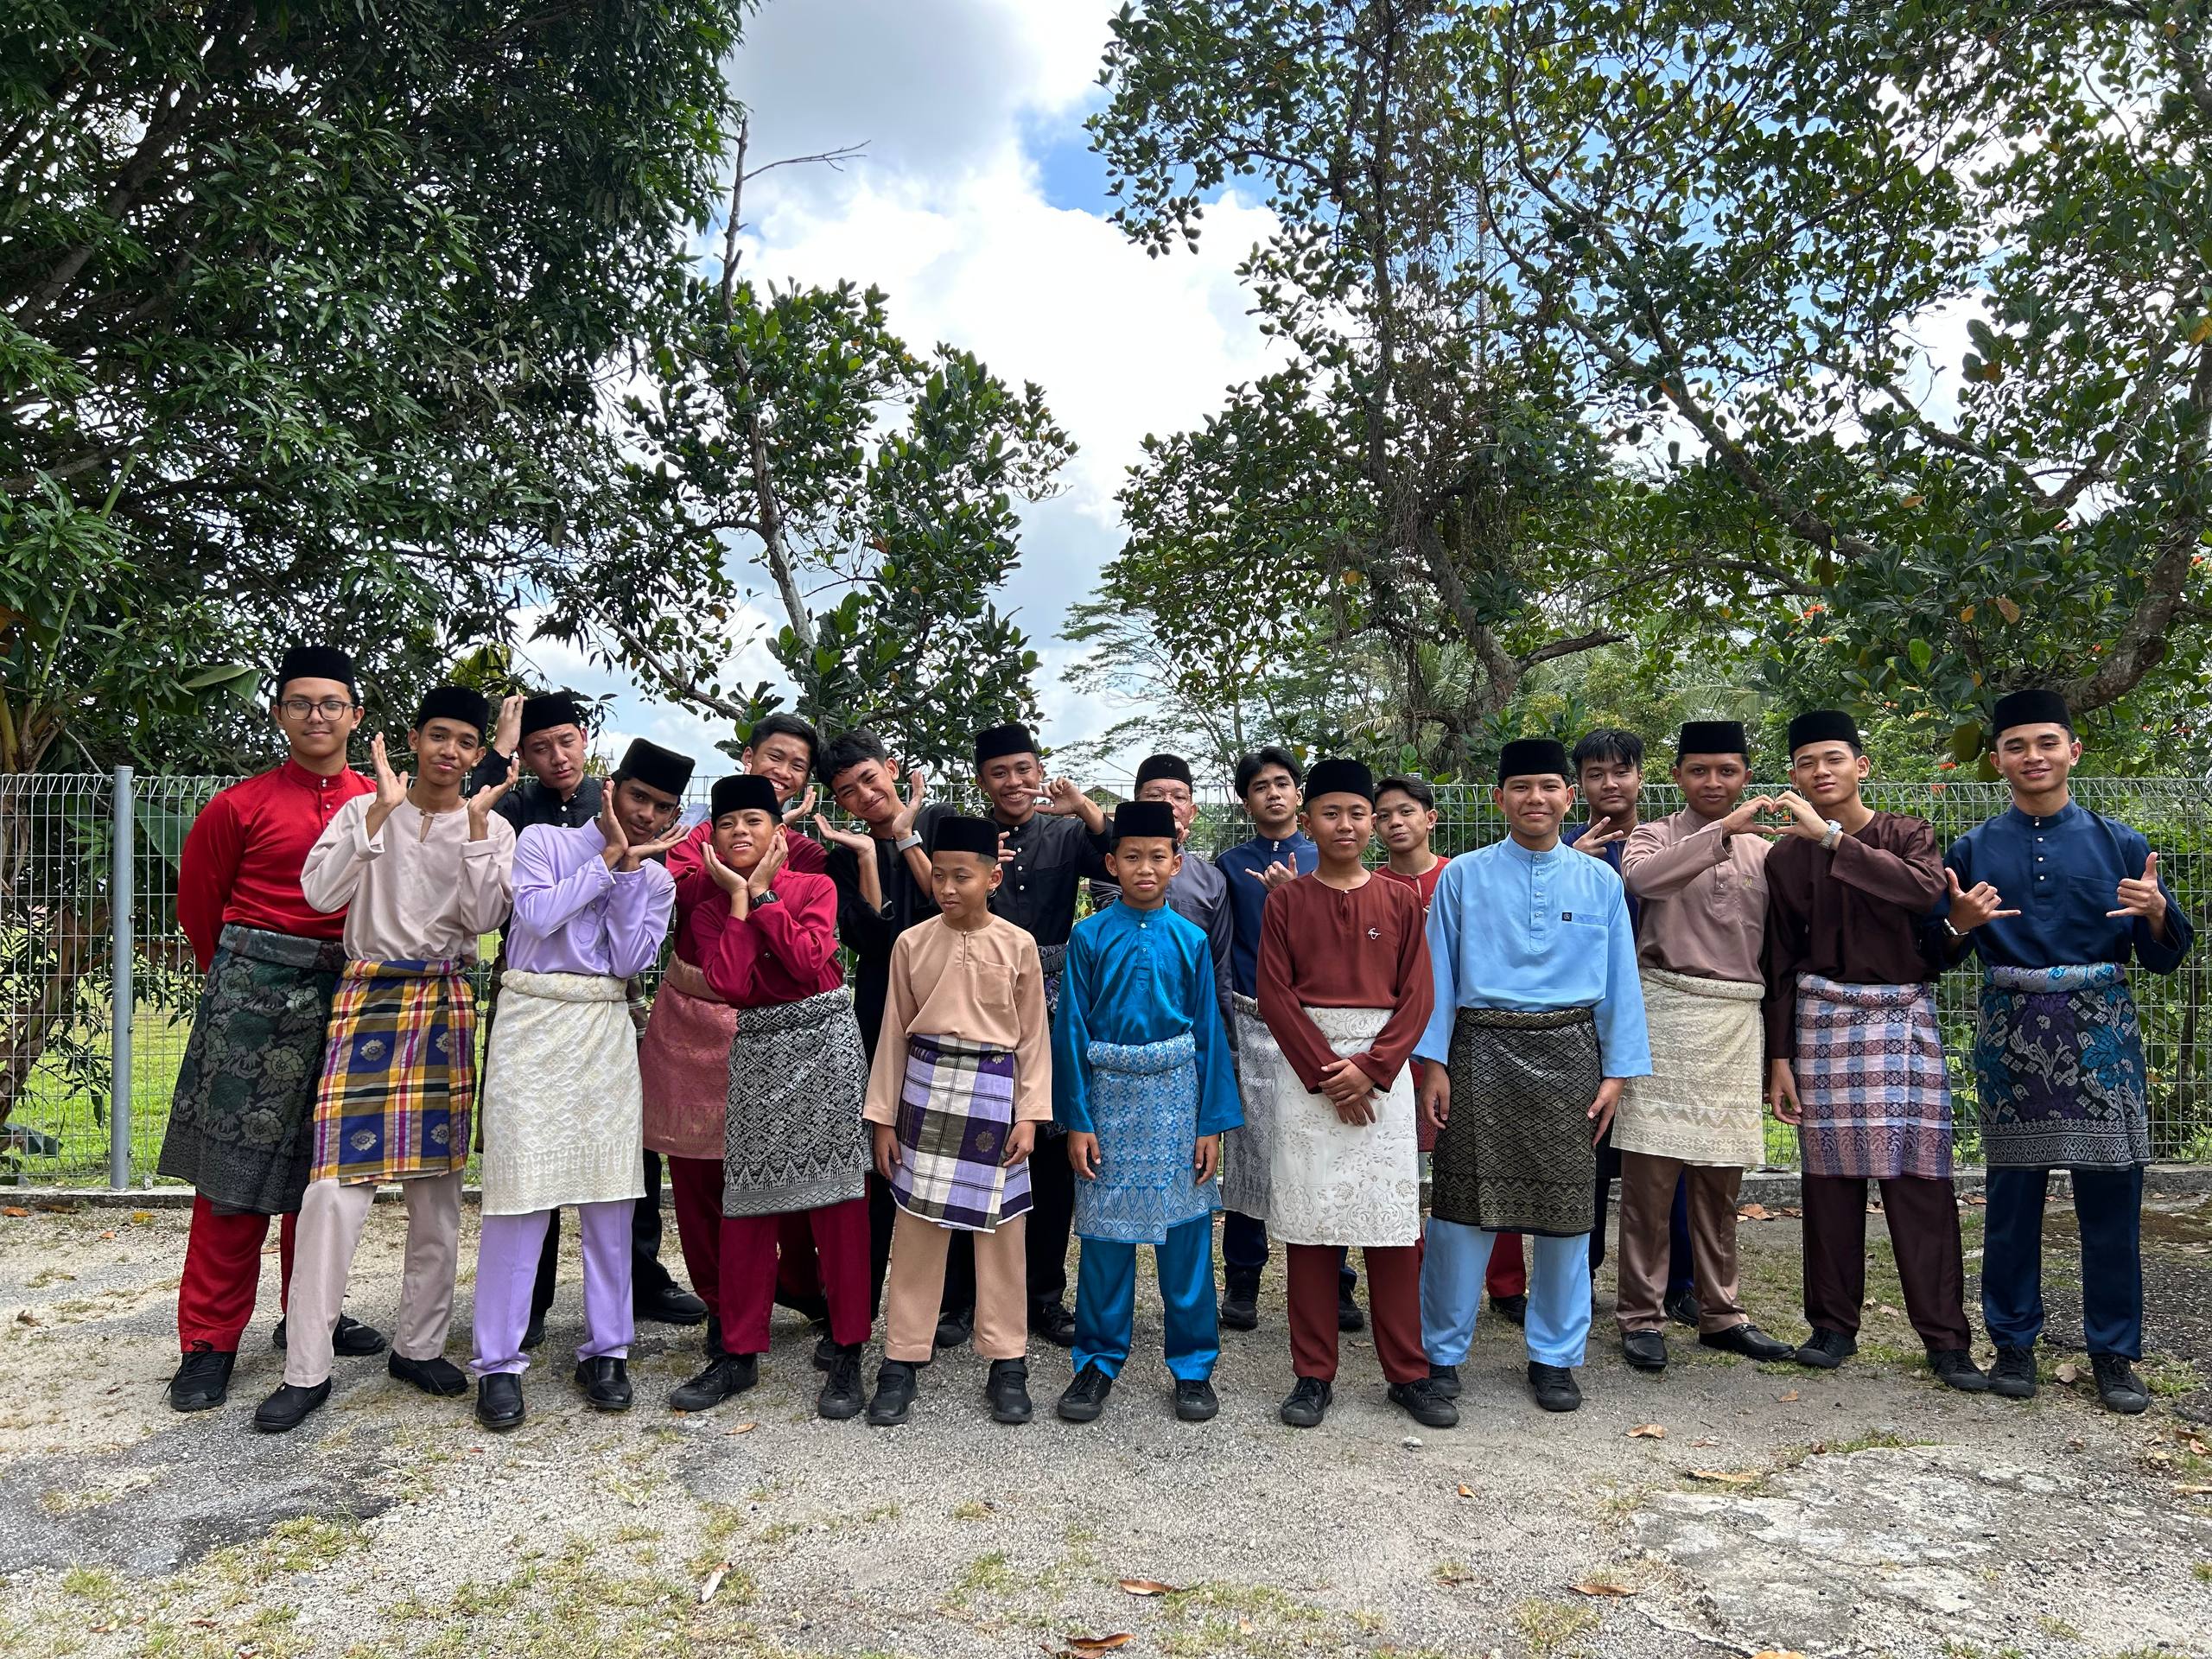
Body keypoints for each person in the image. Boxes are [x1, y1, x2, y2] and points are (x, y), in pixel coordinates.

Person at [253, 688, 518, 1433]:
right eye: (439, 736)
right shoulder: (362, 809)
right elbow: (319, 892)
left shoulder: (493, 826)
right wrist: (377, 814)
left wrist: (474, 831)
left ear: (477, 753)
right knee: (333, 1191)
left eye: (465, 742)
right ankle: (306, 1369)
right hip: (367, 998)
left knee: (437, 1192)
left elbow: (485, 918)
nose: (450, 752)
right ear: (413, 737)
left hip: (442, 1002)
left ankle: (419, 1346)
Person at [1936, 689, 2192, 1414]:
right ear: (1997, 761)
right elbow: (1937, 953)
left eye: (2047, 742)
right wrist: (1956, 924)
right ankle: (2014, 1343)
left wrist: (2158, 913)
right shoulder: (1972, 850)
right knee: (2012, 1199)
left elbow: (2165, 955)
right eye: (2016, 746)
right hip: (2010, 1035)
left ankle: (2114, 1353)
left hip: (2102, 1034)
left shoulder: (2123, 844)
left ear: (2073, 751)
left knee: (2111, 1199)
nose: (2033, 757)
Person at [160, 646, 385, 1413]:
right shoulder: (238, 806)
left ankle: (310, 1317)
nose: (317, 716)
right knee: (231, 1180)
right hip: (250, 1002)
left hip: (350, 995)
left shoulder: (381, 801)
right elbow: (201, 910)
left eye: (331, 703)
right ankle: (209, 1342)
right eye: (300, 703)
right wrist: (244, 988)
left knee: (327, 1173)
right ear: (280, 714)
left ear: (355, 715)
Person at [1415, 740, 1650, 1412]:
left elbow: (1620, 982)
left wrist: (1616, 1073)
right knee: (1460, 1215)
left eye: (1549, 786)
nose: (1535, 799)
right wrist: (1434, 1063)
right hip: (1477, 1052)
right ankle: (1442, 1354)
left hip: (1571, 1057)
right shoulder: (1463, 876)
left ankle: (1554, 1356)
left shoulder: (1602, 882)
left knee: (1568, 1217)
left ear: (1569, 797)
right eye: (1520, 787)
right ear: (1499, 799)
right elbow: (1436, 973)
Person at [468, 690, 707, 1344]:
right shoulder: (542, 840)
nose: (647, 815)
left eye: (662, 808)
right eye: (638, 798)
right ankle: (505, 1344)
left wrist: (630, 874)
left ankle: (608, 1345)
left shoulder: (657, 880)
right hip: (532, 1022)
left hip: (604, 1029)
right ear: (612, 790)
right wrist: (605, 861)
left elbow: (628, 961)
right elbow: (537, 915)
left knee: (611, 1188)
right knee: (521, 1185)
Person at [1759, 711, 1983, 1392]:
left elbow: (1923, 891)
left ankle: (1946, 1341)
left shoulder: (1907, 834)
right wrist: (1778, 1057)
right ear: (1793, 776)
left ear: (1861, 766)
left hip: (1901, 1020)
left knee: (1920, 1182)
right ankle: (1832, 1326)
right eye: (1806, 762)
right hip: (1823, 1023)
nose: (1820, 771)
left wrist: (1832, 838)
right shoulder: (1783, 859)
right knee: (1828, 1183)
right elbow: (1780, 959)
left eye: (1833, 758)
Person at [664, 775, 874, 1421]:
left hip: (826, 1046)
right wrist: (739, 899)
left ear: (779, 832)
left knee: (839, 1203)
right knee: (747, 1203)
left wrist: (763, 897)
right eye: (728, 823)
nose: (740, 832)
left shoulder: (815, 886)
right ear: (714, 837)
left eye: (754, 821)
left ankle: (847, 1348)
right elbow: (728, 983)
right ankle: (737, 1351)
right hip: (756, 1049)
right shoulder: (709, 908)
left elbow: (810, 961)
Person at [1255, 759, 1450, 1429]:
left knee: (1392, 1230)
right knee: (1310, 1227)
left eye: (1358, 813)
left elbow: (1418, 995)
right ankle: (1312, 1374)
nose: (1346, 825)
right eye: (1330, 812)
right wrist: (1326, 1073)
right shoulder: (1286, 902)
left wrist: (1372, 1068)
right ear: (1307, 822)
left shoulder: (1401, 901)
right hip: (1306, 1078)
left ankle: (1409, 1374)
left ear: (1372, 823)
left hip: (1383, 1082)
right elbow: (1275, 996)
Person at [912, 721, 1112, 1351]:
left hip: (1053, 1000)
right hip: (975, 997)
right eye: (999, 773)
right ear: (982, 781)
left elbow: (1119, 853)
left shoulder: (1067, 832)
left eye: (1024, 769)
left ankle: (1044, 1296)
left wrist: (1085, 808)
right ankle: (959, 1299)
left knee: (1047, 1147)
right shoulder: (969, 838)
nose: (1014, 782)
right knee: (965, 1143)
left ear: (1039, 770)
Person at [1613, 721, 1796, 1373]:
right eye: (1699, 770)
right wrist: (1721, 833)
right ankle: (1641, 1316)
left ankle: (1722, 1313)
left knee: (1721, 1182)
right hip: (1662, 1010)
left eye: (1727, 771)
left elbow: (1780, 953)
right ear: (1677, 776)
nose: (1713, 782)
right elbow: (1644, 883)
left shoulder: (1769, 853)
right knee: (1650, 1181)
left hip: (1735, 1022)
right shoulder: (1652, 836)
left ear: (1745, 774)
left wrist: (1779, 1052)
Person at [1054, 801, 1243, 1426]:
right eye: (1131, 856)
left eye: (1157, 857)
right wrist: (1077, 1120)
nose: (1144, 868)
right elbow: (1070, 1030)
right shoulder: (1088, 937)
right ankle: (1097, 1361)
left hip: (1176, 1101)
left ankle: (1192, 1366)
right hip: (1106, 1100)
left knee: (1185, 1240)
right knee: (1104, 1241)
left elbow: (1209, 1033)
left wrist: (1210, 1124)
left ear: (1176, 863)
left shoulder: (1191, 940)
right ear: (1110, 864)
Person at [861, 814, 1051, 1428]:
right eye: (939, 875)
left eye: (961, 876)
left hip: (995, 1095)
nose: (946, 887)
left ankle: (1008, 1359)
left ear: (992, 878)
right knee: (917, 1228)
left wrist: (1031, 1114)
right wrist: (883, 1119)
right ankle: (901, 1357)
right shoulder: (911, 943)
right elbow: (893, 1033)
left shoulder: (1018, 945)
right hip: (925, 1089)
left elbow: (1033, 1038)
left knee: (1002, 1233)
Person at [1373, 772, 1528, 1325]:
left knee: (1490, 1160)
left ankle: (1506, 1284)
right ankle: (1415, 1279)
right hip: (1396, 1042)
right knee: (1403, 1165)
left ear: (1431, 819)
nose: (1396, 822)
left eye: (1406, 812)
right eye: (1384, 815)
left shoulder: (1463, 877)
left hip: (1469, 1039)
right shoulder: (1370, 887)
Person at [1217, 747, 1361, 1336]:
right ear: (1245, 801)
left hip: (1322, 1021)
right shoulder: (1230, 865)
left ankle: (1338, 1282)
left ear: (1299, 795)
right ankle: (1243, 1280)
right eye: (1260, 786)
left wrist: (1301, 894)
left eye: (1282, 783)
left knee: (1324, 1149)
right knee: (1249, 1152)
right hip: (1253, 1017)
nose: (1273, 793)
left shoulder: (1330, 858)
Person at [1565, 729, 1697, 1321]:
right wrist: (1572, 863)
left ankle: (1681, 1282)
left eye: (1621, 771)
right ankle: (1579, 1276)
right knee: (1586, 1151)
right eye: (1595, 774)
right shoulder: (1561, 847)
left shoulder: (1670, 842)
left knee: (1669, 1151)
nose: (1610, 784)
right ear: (1579, 786)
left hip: (1663, 1010)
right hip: (1584, 1019)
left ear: (1643, 777)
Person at [818, 728, 938, 1319]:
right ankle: (857, 1310)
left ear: (891, 768)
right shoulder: (843, 856)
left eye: (869, 779)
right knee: (879, 1158)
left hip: (946, 1007)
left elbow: (952, 904)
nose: (864, 795)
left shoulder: (941, 825)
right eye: (848, 791)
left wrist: (907, 837)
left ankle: (945, 1306)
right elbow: (869, 940)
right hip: (877, 1010)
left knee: (944, 1152)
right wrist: (869, 857)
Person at [1088, 753, 1235, 1027]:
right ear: (1137, 804)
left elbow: (1220, 969)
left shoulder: (1212, 880)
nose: (1168, 805)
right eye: (1155, 796)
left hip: (1189, 1021)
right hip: (1118, 1021)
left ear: (1192, 811)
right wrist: (1158, 848)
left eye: (1178, 797)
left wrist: (1225, 1046)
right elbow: (1116, 922)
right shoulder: (1112, 871)